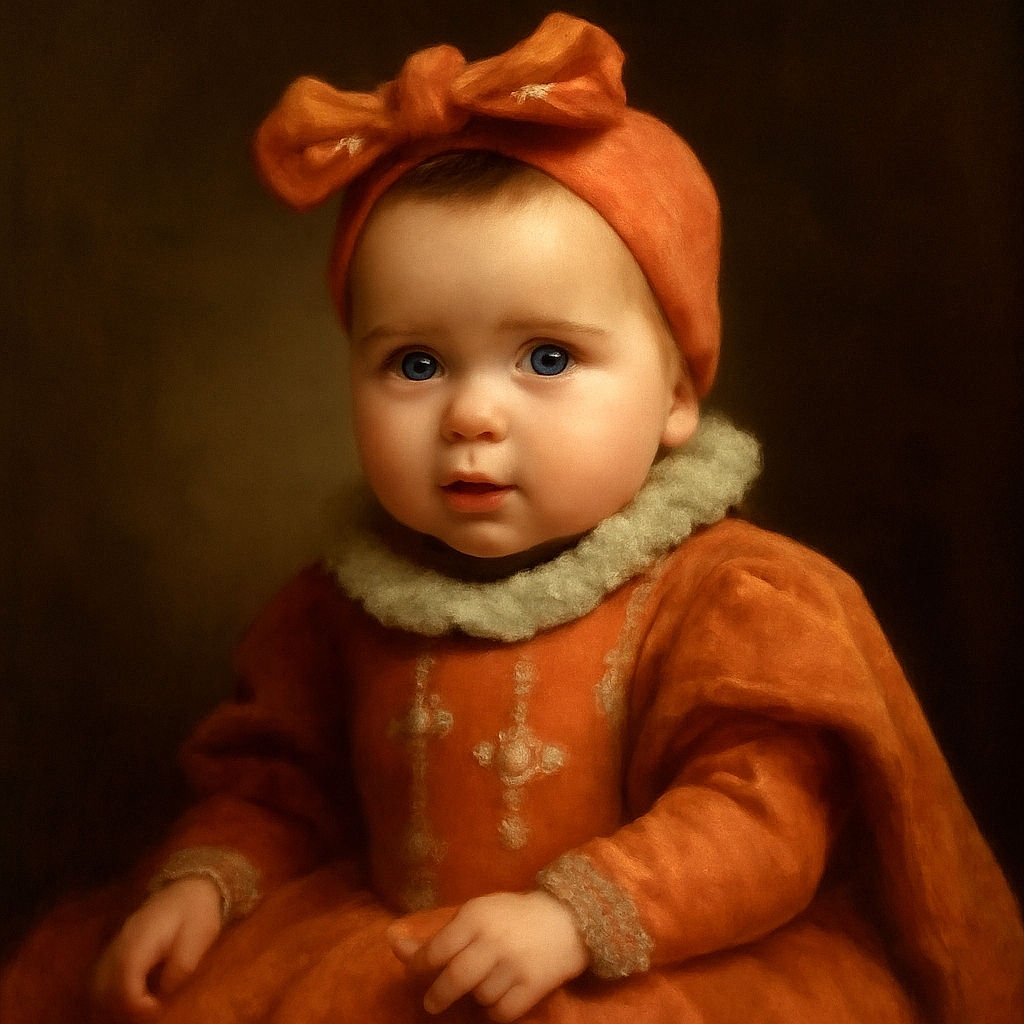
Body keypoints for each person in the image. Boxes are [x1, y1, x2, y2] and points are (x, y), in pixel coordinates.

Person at [2, 13, 1021, 1024]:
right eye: (415, 363)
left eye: (545, 357)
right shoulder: (339, 606)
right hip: (391, 957)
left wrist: (573, 918)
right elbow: (280, 786)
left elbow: (764, 813)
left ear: (675, 395)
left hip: (650, 972)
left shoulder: (729, 596)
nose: (472, 415)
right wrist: (206, 882)